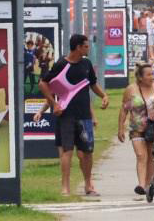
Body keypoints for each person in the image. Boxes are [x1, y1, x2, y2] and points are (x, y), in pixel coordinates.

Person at [35, 33, 109, 198]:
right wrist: (53, 104)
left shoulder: (87, 64)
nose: (88, 48)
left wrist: (103, 95)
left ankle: (88, 185)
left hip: (84, 115)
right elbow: (43, 83)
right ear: (78, 47)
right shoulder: (61, 64)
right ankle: (65, 187)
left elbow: (92, 84)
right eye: (86, 46)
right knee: (67, 151)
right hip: (66, 115)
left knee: (87, 152)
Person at [118, 63, 154, 201]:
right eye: (148, 75)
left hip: (153, 128)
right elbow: (124, 109)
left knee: (151, 156)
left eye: (153, 74)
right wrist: (120, 128)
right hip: (137, 129)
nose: (152, 77)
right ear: (140, 77)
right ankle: (141, 185)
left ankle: (149, 184)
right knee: (141, 155)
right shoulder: (131, 89)